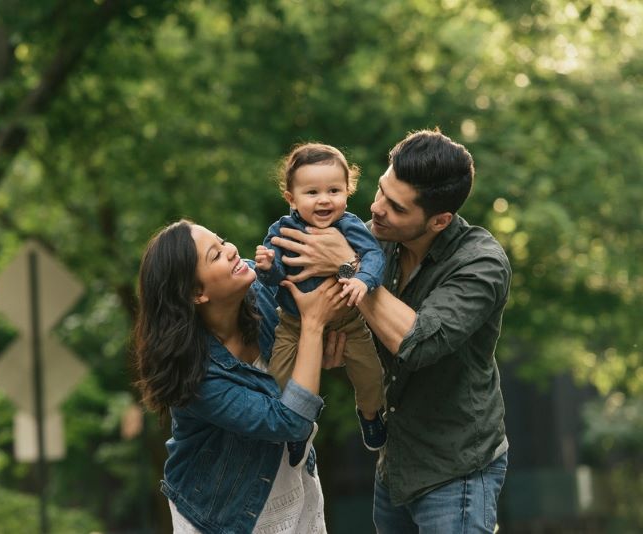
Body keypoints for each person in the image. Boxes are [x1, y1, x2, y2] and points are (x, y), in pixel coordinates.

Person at [269, 129, 511, 533]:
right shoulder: (374, 239)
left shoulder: (480, 263)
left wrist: (347, 265)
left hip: (456, 470)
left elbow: (415, 343)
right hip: (393, 463)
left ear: (440, 220)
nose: (377, 208)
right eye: (381, 190)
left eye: (396, 207)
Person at [133, 219, 348, 533]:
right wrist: (314, 326)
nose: (232, 251)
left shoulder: (259, 285)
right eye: (216, 256)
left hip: (291, 486)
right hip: (221, 515)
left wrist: (315, 350)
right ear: (196, 293)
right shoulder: (198, 377)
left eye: (222, 241)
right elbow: (289, 422)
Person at [255, 142, 387, 461]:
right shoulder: (282, 230)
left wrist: (360, 279)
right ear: (292, 199)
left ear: (347, 192)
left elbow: (373, 257)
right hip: (295, 324)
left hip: (347, 322)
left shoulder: (350, 226)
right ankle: (296, 428)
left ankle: (370, 415)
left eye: (334, 190)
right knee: (279, 380)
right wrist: (268, 267)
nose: (324, 200)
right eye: (312, 193)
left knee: (372, 376)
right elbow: (277, 279)